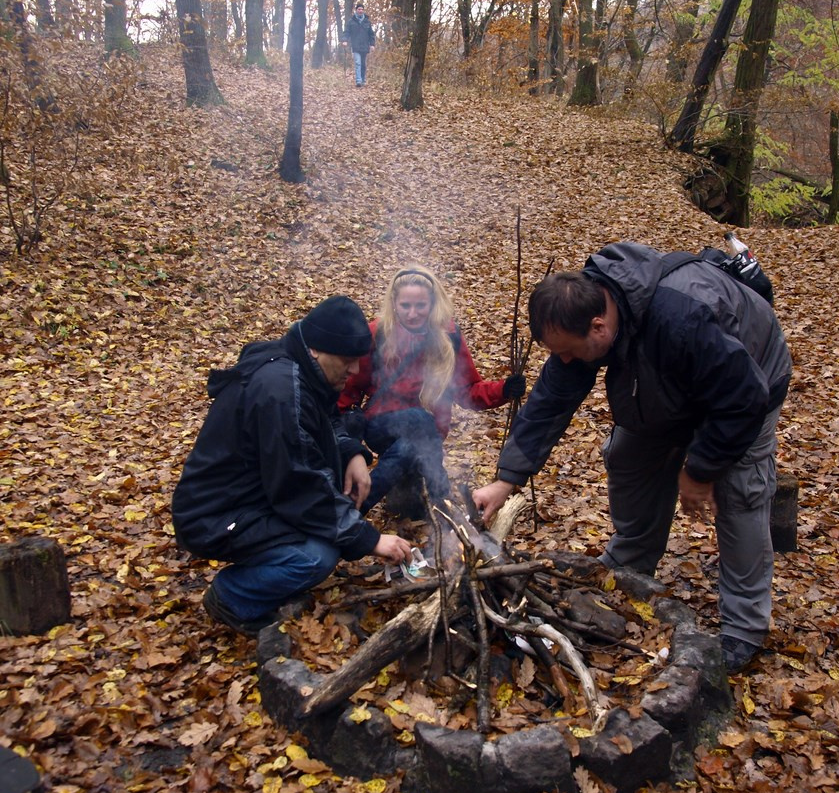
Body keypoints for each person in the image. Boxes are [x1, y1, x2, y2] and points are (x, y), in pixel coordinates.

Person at [473, 242, 792, 674]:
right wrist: (505, 480)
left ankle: (743, 628)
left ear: (599, 328)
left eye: (568, 350)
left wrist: (698, 470)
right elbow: (548, 402)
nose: (564, 360)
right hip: (664, 385)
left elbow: (743, 397)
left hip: (749, 383)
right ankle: (631, 561)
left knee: (739, 491)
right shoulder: (580, 318)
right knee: (627, 454)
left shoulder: (681, 318)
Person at [172, 296, 412, 636]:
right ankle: (233, 596)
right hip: (213, 514)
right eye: (348, 360)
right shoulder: (280, 392)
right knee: (318, 555)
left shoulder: (301, 367)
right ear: (317, 350)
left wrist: (351, 453)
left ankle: (266, 578)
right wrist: (369, 539)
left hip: (251, 495)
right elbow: (300, 487)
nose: (355, 370)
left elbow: (329, 414)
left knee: (325, 535)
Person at [339, 265, 526, 516]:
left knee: (413, 452)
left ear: (433, 304)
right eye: (405, 306)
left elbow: (468, 391)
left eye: (421, 306)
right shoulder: (378, 333)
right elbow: (351, 387)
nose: (413, 313)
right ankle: (444, 500)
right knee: (421, 419)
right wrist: (345, 437)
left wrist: (504, 390)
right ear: (394, 303)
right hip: (380, 426)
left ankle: (356, 506)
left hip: (427, 438)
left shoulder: (447, 337)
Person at [342, 2, 376, 87]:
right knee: (358, 63)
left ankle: (363, 79)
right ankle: (358, 81)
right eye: (359, 9)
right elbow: (347, 32)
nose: (360, 11)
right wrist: (345, 40)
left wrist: (372, 44)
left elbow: (371, 34)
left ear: (363, 11)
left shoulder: (367, 22)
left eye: (362, 9)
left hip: (364, 46)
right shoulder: (351, 21)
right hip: (355, 46)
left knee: (363, 64)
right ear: (356, 10)